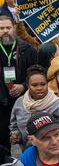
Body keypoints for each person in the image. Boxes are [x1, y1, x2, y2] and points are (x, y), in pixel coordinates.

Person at [9, 65, 59, 147]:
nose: (39, 88)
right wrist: (17, 135)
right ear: (27, 86)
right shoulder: (20, 102)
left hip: (53, 152)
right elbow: (14, 125)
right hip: (27, 151)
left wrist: (50, 139)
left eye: (43, 84)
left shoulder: (58, 105)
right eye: (34, 85)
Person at [0, 15, 38, 149]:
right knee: (2, 135)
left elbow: (36, 73)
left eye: (8, 27)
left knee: (27, 136)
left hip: (24, 101)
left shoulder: (27, 49)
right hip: (2, 101)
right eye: (1, 28)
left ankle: (28, 165)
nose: (5, 31)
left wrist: (23, 86)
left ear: (14, 28)